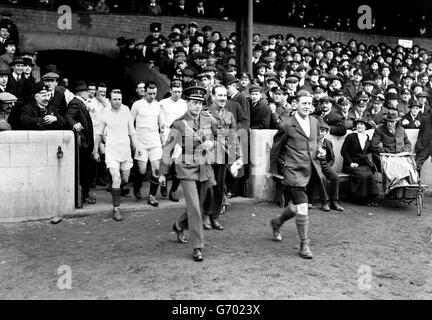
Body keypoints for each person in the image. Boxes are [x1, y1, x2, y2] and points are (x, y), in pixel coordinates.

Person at [159, 85, 215, 262]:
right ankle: (197, 247)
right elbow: (167, 149)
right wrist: (162, 173)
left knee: (206, 202)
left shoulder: (207, 120)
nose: (197, 106)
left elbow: (217, 138)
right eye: (194, 102)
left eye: (200, 103)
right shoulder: (179, 123)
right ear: (187, 103)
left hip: (204, 166)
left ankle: (179, 225)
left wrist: (212, 144)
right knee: (195, 207)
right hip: (186, 167)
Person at [269, 90, 326, 259]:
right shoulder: (286, 124)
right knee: (302, 207)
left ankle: (277, 222)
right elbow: (275, 149)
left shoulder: (315, 122)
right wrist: (273, 171)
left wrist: (320, 150)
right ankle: (304, 245)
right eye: (304, 103)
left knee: (295, 208)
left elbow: (315, 142)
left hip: (311, 169)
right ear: (296, 105)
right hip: (293, 170)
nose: (307, 106)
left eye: (309, 103)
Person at [93, 89, 138, 221]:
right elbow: (99, 134)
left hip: (125, 149)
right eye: (114, 99)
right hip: (111, 149)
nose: (117, 102)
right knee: (116, 177)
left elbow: (132, 130)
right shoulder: (105, 113)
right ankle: (116, 208)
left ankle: (116, 188)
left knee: (124, 179)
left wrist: (136, 146)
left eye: (119, 99)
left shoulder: (126, 110)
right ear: (110, 100)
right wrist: (96, 151)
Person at [202, 84, 242, 230]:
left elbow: (233, 136)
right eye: (219, 95)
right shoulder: (205, 113)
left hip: (223, 156)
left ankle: (215, 217)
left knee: (219, 187)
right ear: (212, 96)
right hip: (208, 156)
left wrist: (238, 155)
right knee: (208, 186)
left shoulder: (229, 115)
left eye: (225, 95)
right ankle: (205, 215)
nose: (223, 98)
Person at [131, 81, 162, 206]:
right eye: (150, 93)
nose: (152, 96)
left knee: (156, 169)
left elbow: (161, 124)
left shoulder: (158, 105)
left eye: (154, 93)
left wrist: (163, 137)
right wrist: (133, 142)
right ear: (145, 92)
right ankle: (137, 186)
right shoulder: (137, 105)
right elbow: (130, 124)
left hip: (154, 141)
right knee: (142, 170)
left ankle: (152, 196)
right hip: (141, 142)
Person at [65, 80, 96, 205]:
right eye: (85, 91)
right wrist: (74, 124)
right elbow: (68, 116)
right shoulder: (75, 103)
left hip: (85, 145)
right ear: (79, 92)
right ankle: (84, 196)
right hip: (82, 145)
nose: (88, 93)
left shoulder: (80, 103)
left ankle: (85, 195)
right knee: (84, 171)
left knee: (86, 170)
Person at [158, 80, 188, 201]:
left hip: (180, 135)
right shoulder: (163, 103)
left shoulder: (185, 104)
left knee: (178, 164)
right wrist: (161, 135)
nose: (177, 94)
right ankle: (163, 184)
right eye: (175, 91)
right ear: (170, 90)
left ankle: (173, 190)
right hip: (167, 135)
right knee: (166, 162)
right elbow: (160, 121)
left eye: (180, 92)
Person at [341, 118, 379, 206]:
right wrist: (350, 162)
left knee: (369, 174)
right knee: (362, 175)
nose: (359, 126)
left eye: (361, 124)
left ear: (365, 127)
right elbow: (344, 151)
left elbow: (367, 151)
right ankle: (358, 198)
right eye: (358, 124)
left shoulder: (367, 138)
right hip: (350, 165)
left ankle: (369, 198)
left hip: (363, 165)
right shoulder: (350, 136)